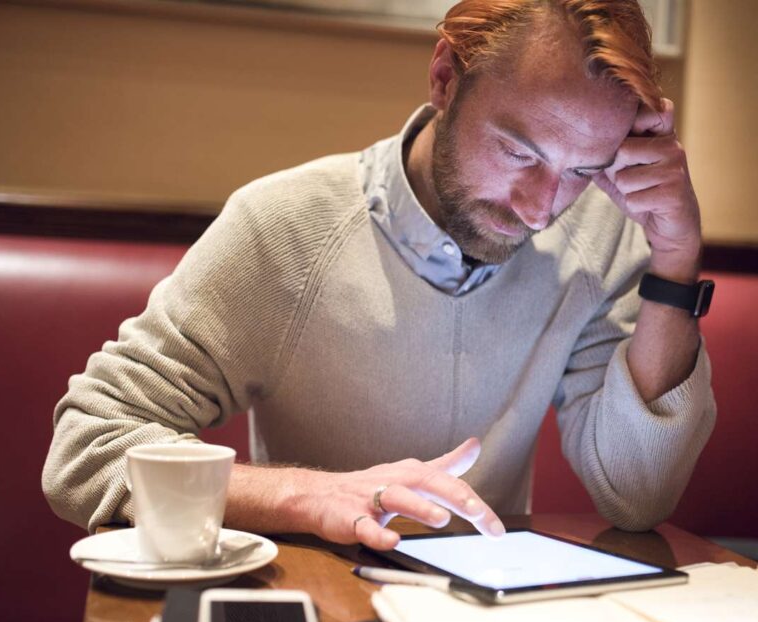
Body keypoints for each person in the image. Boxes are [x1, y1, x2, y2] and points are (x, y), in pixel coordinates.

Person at [43, 0, 716, 552]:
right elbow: (87, 444)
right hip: (309, 610)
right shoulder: (283, 227)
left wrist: (676, 258)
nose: (540, 209)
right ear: (446, 78)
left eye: (581, 171)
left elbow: (637, 496)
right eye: (518, 151)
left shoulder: (598, 242)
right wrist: (309, 496)